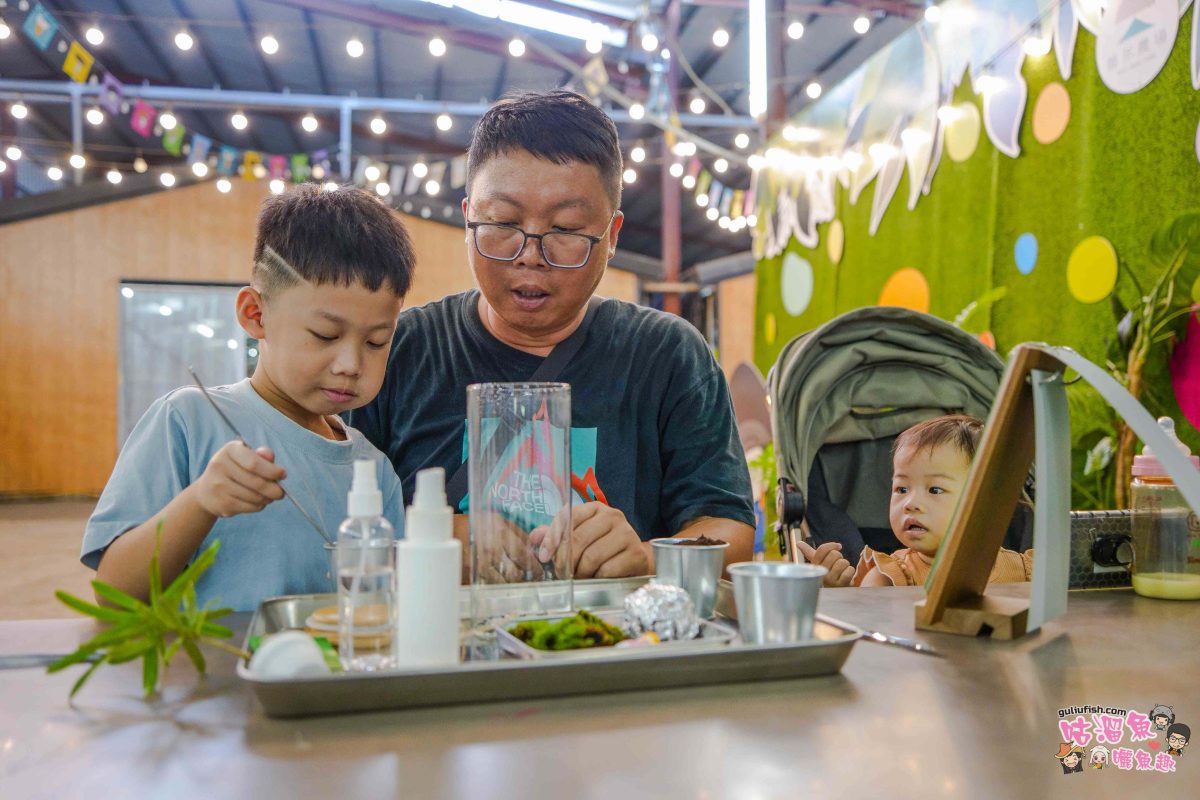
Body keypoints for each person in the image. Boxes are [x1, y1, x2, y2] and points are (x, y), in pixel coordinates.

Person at [350, 90, 755, 582]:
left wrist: (651, 558)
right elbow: (338, 513)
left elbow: (728, 527)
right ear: (467, 218)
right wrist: (434, 537)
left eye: (565, 229)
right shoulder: (400, 348)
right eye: (502, 223)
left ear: (612, 237)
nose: (529, 254)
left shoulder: (667, 355)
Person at [81, 185, 416, 611]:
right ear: (256, 315)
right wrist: (200, 501)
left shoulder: (375, 470)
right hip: (210, 676)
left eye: (376, 341)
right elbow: (113, 594)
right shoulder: (189, 421)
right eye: (326, 335)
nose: (351, 363)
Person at [802, 415, 1033, 587]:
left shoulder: (1025, 571)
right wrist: (836, 591)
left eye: (934, 489)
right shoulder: (890, 577)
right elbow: (868, 637)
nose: (910, 503)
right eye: (901, 488)